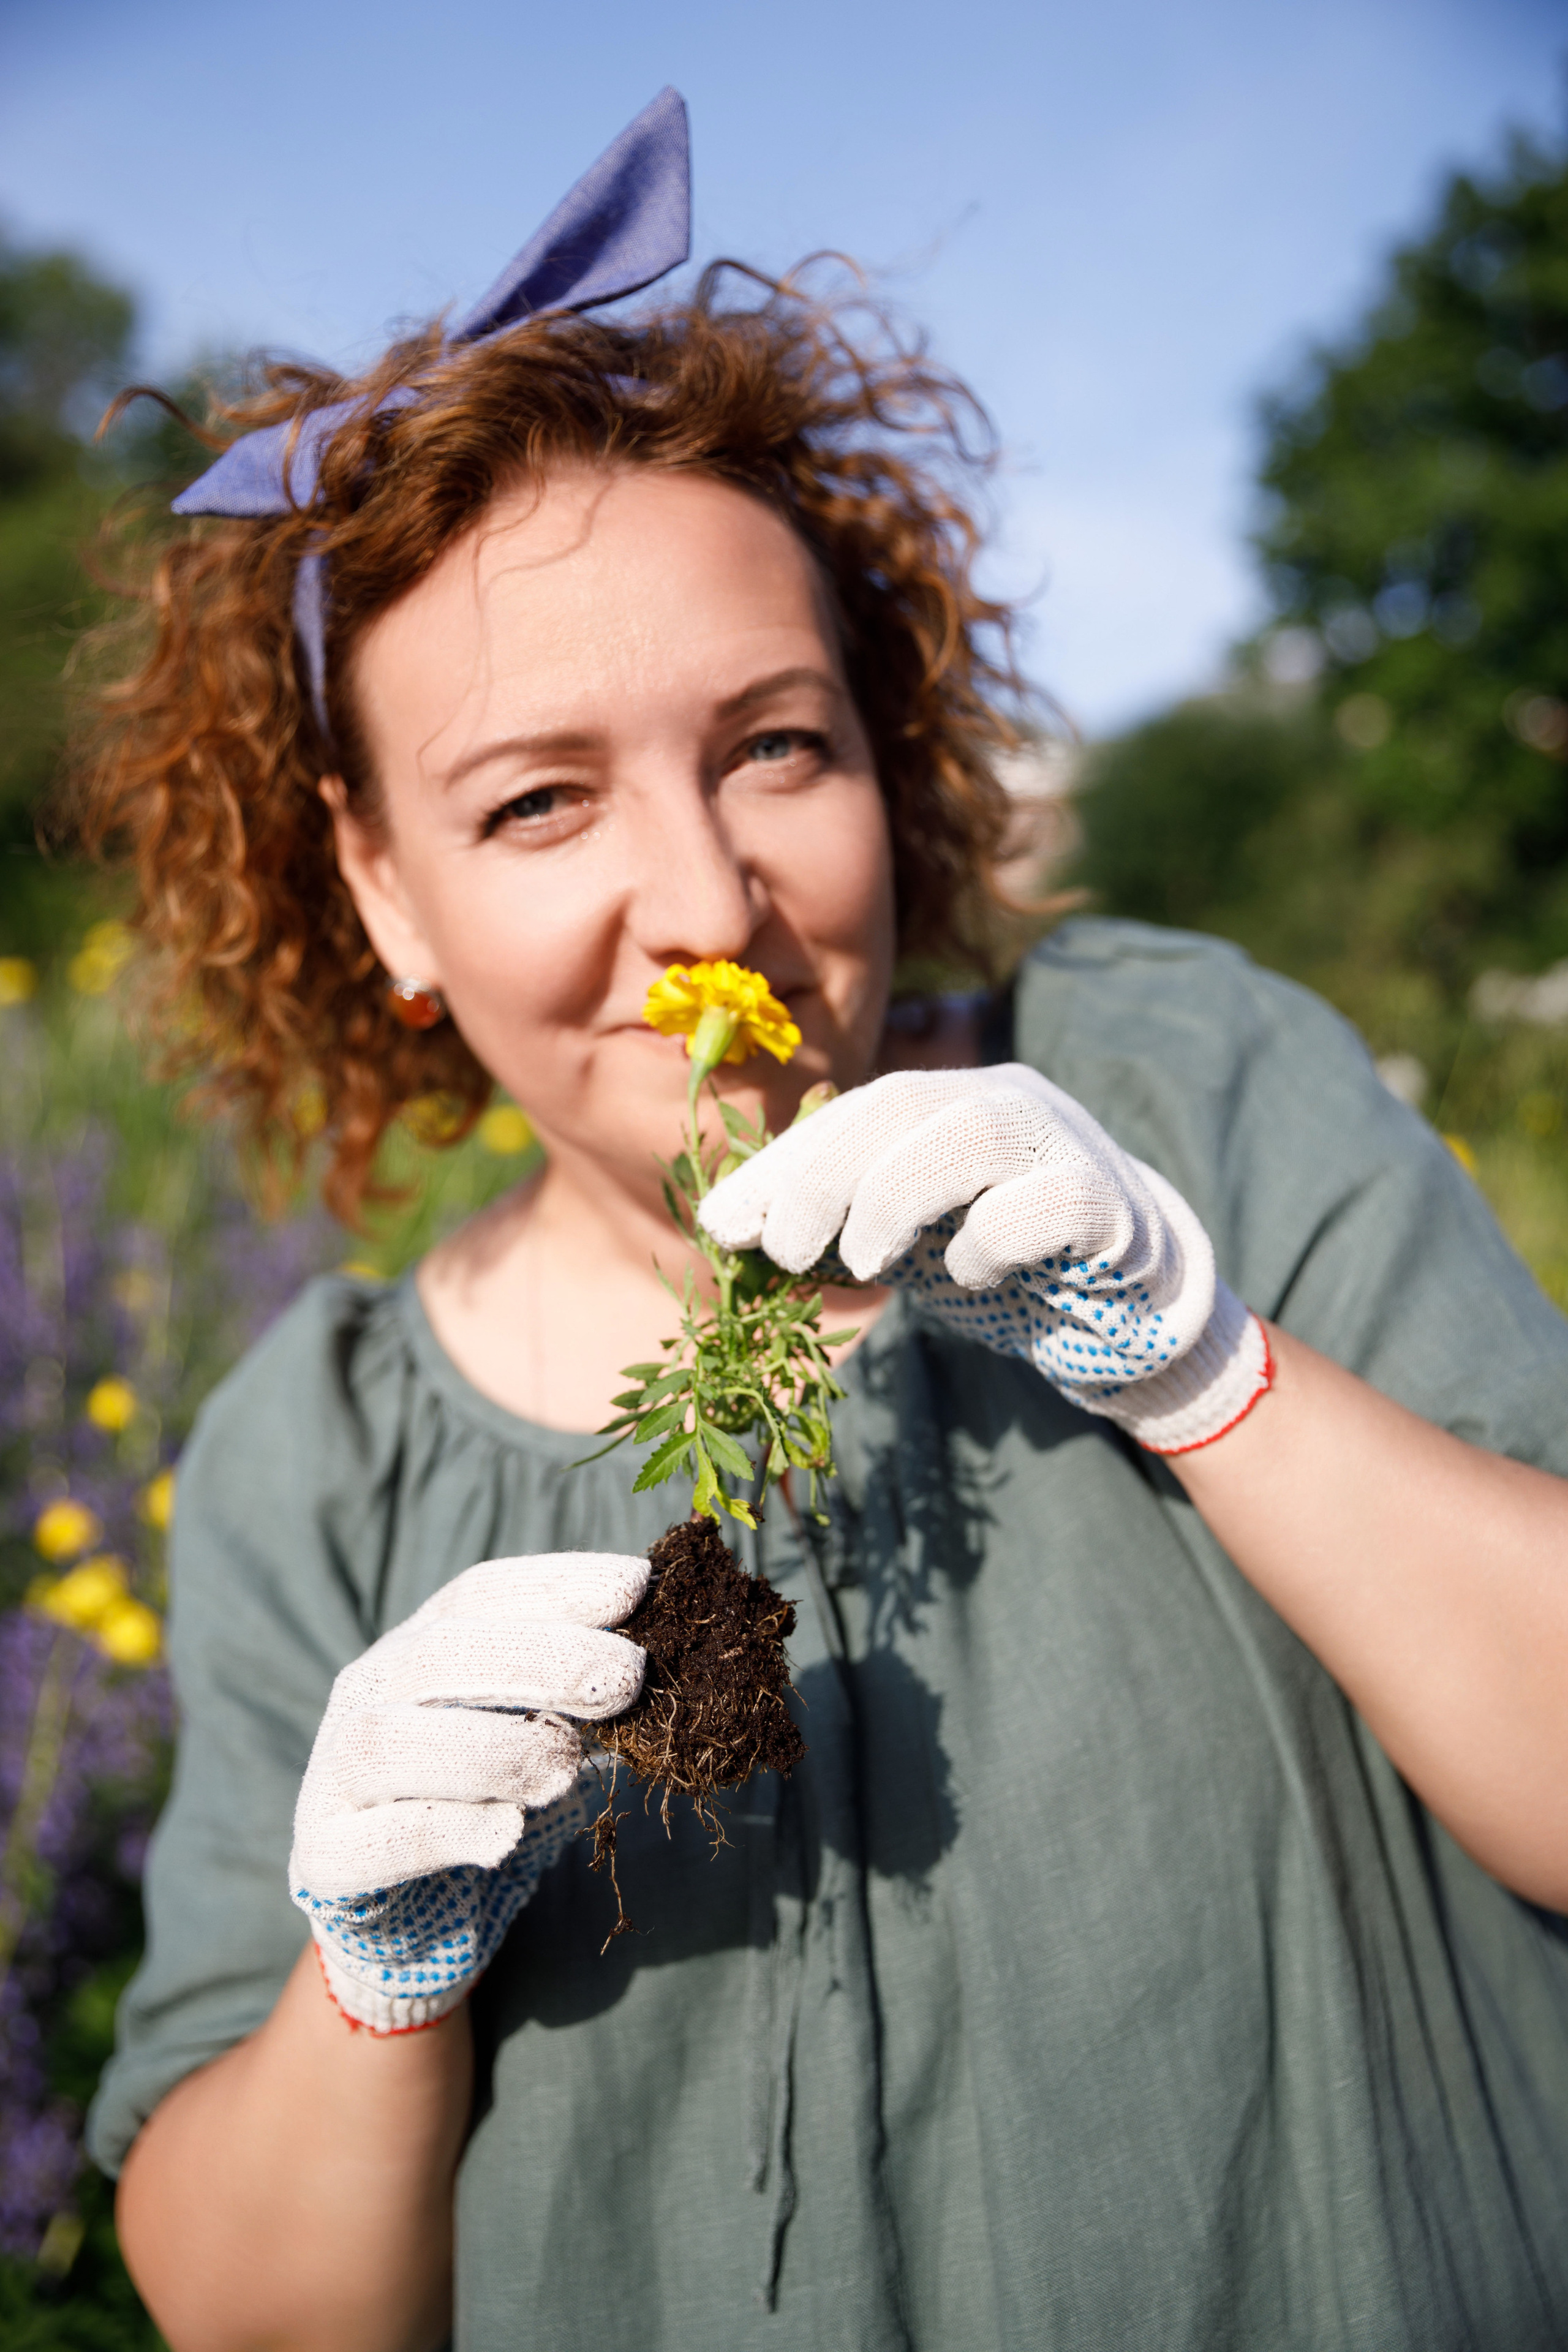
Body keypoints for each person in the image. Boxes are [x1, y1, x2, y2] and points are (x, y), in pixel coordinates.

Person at [77, 92, 1568, 2352]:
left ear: (886, 749)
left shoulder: (1182, 1083)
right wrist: (375, 1975)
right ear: (381, 885)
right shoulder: (321, 1443)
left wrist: (1193, 1353)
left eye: (775, 746)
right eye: (540, 798)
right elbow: (265, 2318)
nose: (704, 903)